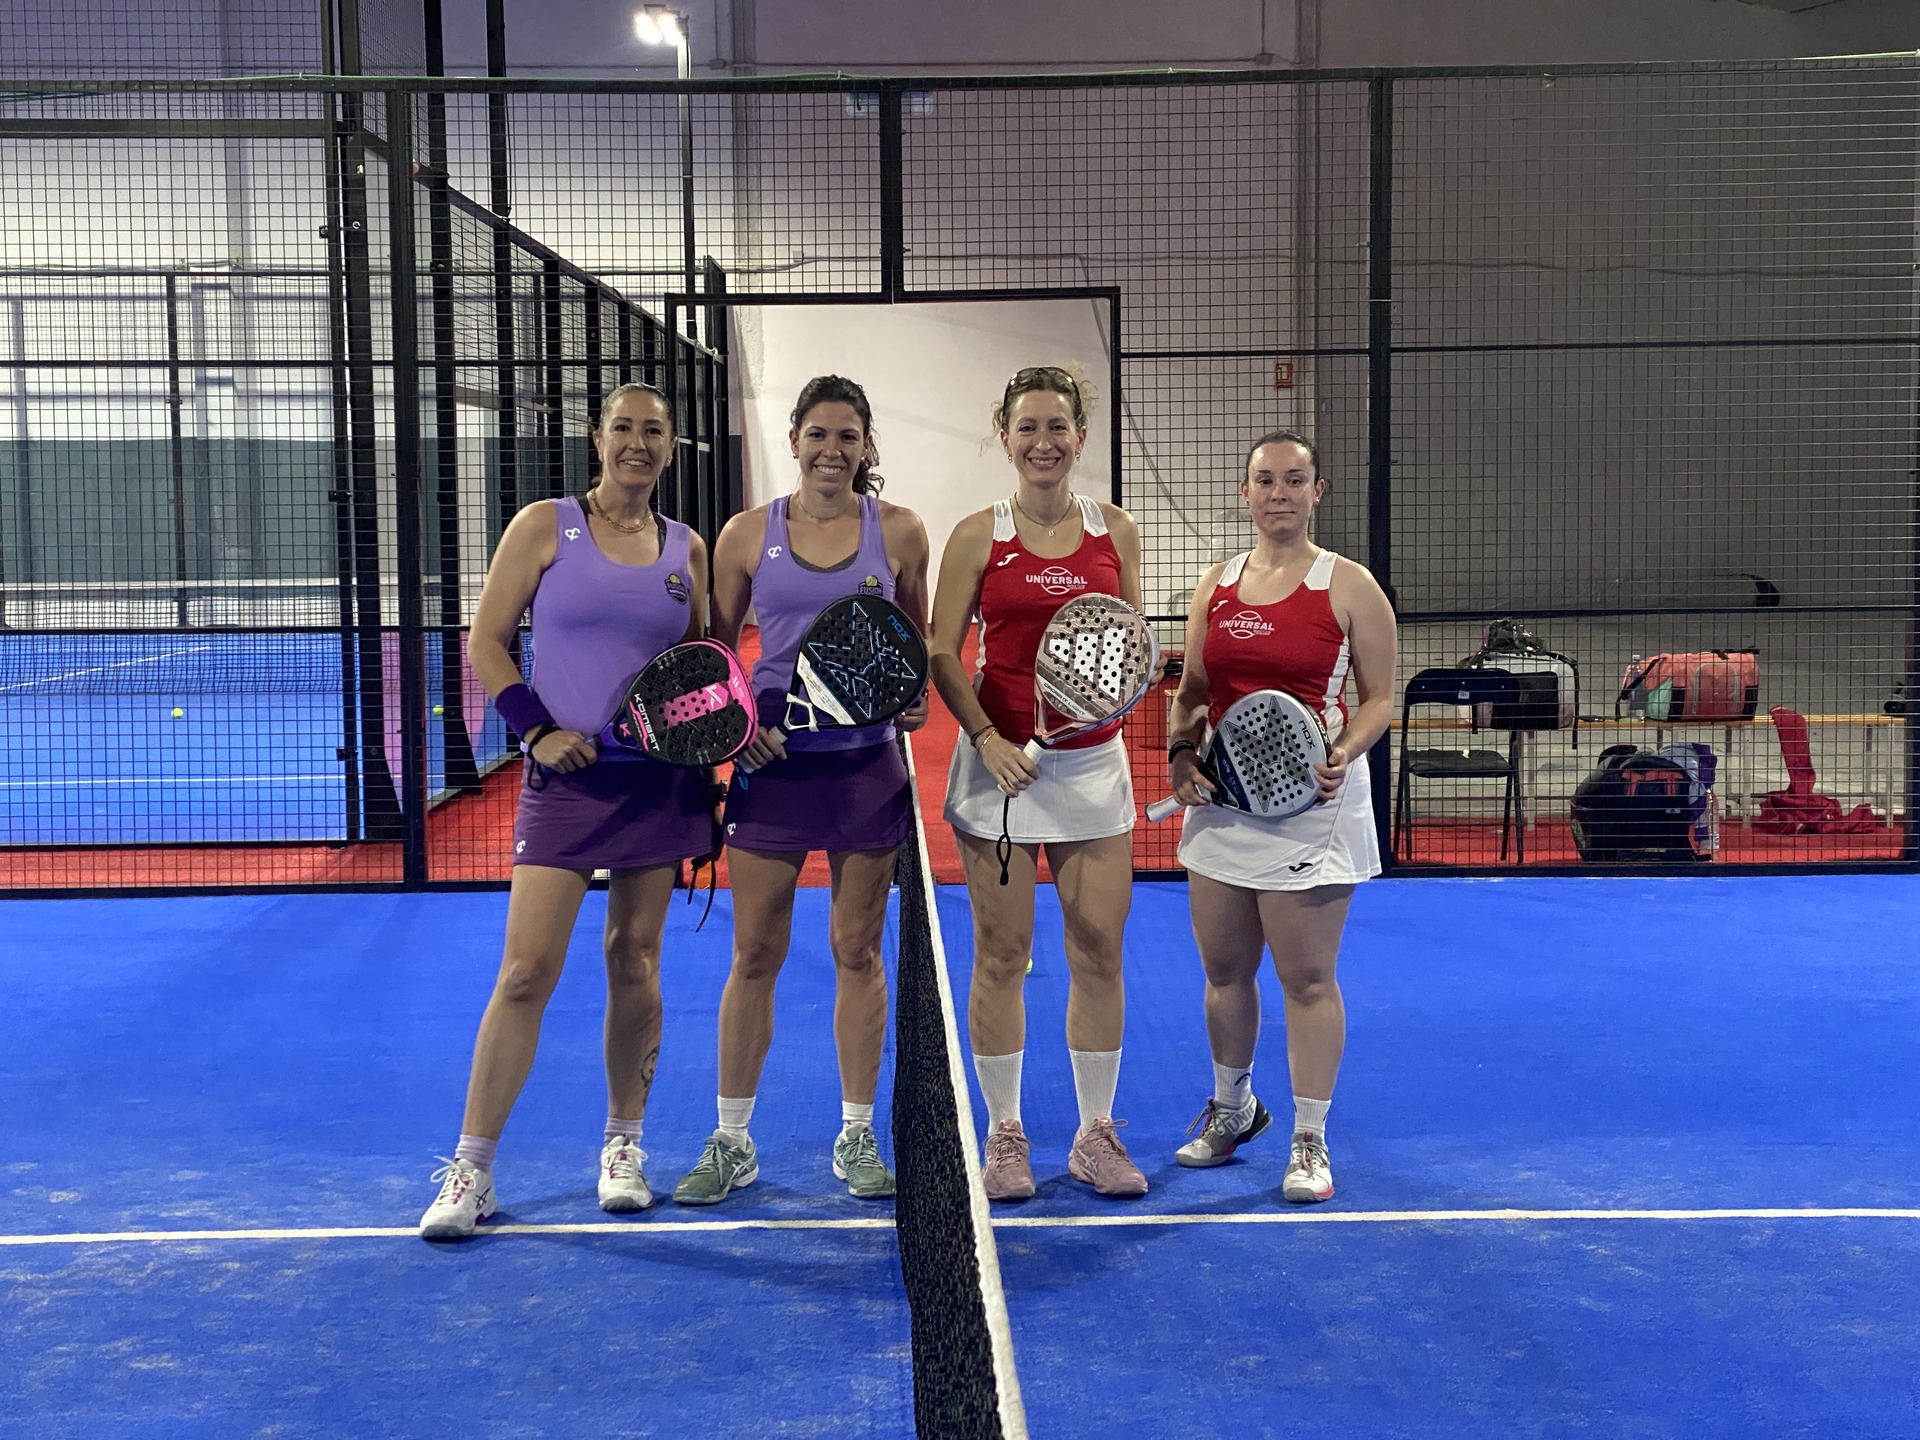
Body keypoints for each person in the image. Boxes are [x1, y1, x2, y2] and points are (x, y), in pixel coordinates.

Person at [419, 382, 715, 1240]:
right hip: (567, 782)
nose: (637, 443)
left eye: (653, 431)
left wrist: (702, 757)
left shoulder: (686, 549)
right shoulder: (545, 527)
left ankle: (623, 1148)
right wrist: (536, 731)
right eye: (623, 427)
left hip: (657, 782)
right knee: (526, 971)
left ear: (671, 447)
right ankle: (472, 1168)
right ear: (597, 438)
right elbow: (486, 639)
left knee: (635, 959)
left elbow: (699, 663)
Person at [671, 375, 931, 1206]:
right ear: (794, 440)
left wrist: (913, 696)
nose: (832, 450)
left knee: (858, 951)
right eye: (818, 434)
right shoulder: (747, 534)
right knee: (755, 953)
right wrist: (737, 730)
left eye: (848, 436)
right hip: (772, 769)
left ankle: (856, 1135)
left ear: (866, 445)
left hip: (865, 772)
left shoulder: (899, 531)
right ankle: (732, 1140)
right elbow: (712, 658)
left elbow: (913, 644)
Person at [929, 364, 1151, 1201]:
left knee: (1098, 949)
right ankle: (1005, 1134)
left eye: (1058, 427)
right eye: (1028, 427)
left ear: (1081, 437)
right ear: (1005, 436)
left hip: (1091, 769)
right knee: (1002, 954)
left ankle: (1095, 1136)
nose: (1043, 442)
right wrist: (986, 739)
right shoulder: (975, 536)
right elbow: (942, 651)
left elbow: (1128, 639)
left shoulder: (1116, 531)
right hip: (1000, 774)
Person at [1162, 429, 1396, 1203]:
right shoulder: (1217, 586)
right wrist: (1182, 755)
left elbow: (1380, 698)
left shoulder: (1349, 585)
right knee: (1225, 971)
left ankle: (1309, 1140)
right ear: (1246, 492)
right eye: (1265, 480)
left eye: (1295, 479)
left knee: (1306, 977)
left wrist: (1345, 752)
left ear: (1317, 491)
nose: (1279, 493)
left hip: (1314, 808)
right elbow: (1193, 692)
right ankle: (1233, 1109)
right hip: (1227, 803)